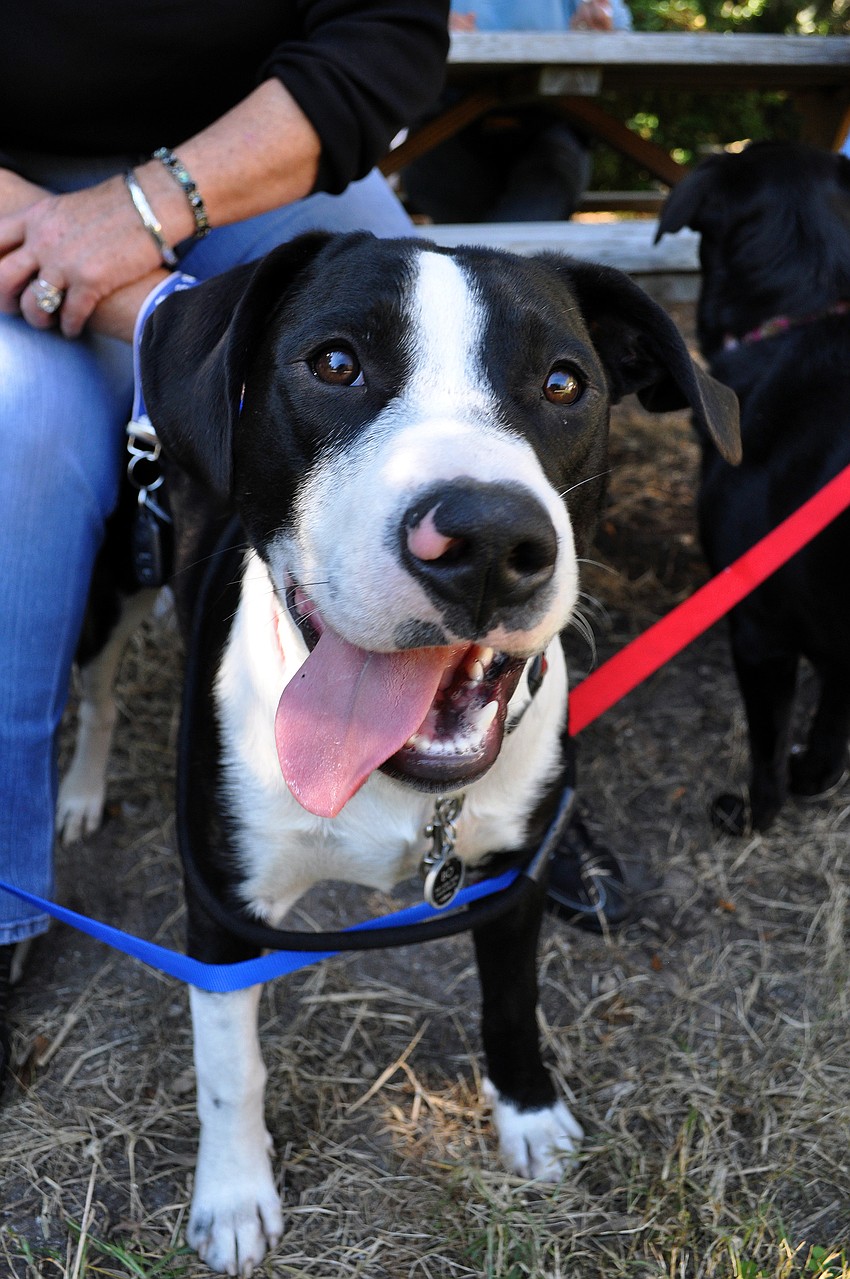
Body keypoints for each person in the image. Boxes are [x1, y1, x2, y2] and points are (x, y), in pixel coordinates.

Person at [0, 0, 451, 1084]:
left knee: (446, 365)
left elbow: (383, 33)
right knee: (16, 436)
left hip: (262, 156)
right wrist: (155, 307)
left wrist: (147, 215)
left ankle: (488, 791)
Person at [403, 0, 633, 224]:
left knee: (550, 180)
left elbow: (617, 26)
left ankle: (486, 256)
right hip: (443, 130)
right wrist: (419, 25)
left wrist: (602, 25)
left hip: (549, 128)